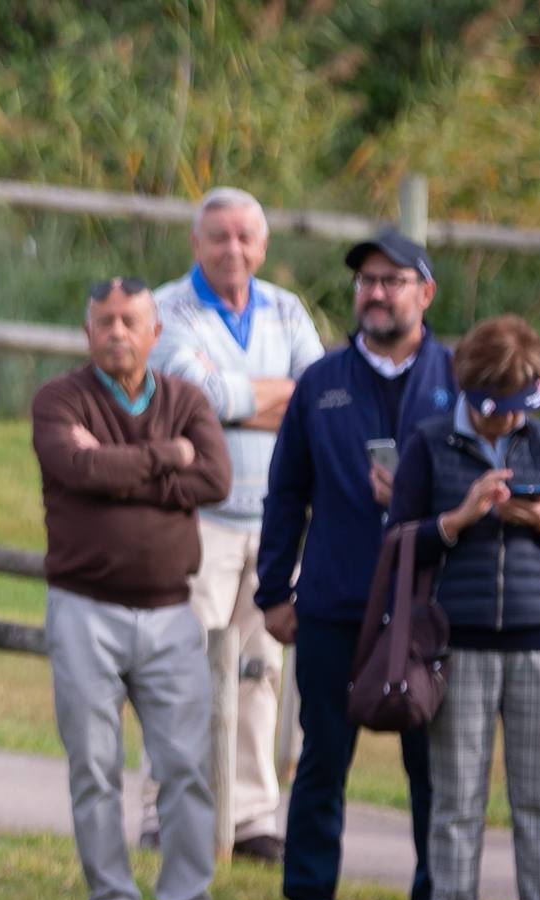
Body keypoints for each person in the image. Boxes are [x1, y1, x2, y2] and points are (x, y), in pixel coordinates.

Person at [387, 316, 540, 900]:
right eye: (494, 413)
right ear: (469, 394)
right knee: (456, 795)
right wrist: (458, 520)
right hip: (459, 639)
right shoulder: (427, 445)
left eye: (517, 411)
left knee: (539, 798)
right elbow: (397, 542)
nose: (506, 426)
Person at [254, 229, 449, 900]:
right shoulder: (322, 381)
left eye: (392, 280)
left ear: (424, 294)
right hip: (336, 599)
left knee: (435, 768)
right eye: (366, 280)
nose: (375, 292)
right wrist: (273, 589)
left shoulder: (455, 380)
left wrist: (418, 494)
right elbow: (285, 493)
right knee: (320, 760)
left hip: (428, 609)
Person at [33, 278, 233, 900]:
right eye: (104, 321)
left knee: (183, 767)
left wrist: (118, 465)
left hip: (171, 611)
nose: (117, 331)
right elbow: (74, 472)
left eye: (130, 321)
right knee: (93, 763)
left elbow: (214, 478)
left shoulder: (186, 397)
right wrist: (164, 460)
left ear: (155, 333)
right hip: (81, 608)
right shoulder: (59, 398)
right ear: (87, 332)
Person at [149, 188, 325, 864]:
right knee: (183, 666)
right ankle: (167, 810)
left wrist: (235, 397)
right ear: (195, 243)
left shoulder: (284, 307)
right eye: (218, 237)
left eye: (245, 237)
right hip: (198, 518)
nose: (233, 249)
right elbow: (195, 400)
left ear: (262, 244)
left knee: (262, 671)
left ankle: (251, 814)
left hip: (276, 521)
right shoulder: (166, 310)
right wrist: (258, 395)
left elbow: (316, 393)